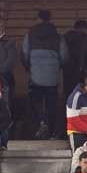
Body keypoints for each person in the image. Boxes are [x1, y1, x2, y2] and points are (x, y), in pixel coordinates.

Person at [22, 10, 68, 141]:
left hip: (35, 75)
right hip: (52, 76)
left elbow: (25, 54)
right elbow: (64, 56)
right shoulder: (58, 36)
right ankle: (51, 130)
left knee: (35, 102)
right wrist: (58, 67)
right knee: (51, 104)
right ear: (50, 19)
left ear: (38, 19)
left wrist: (29, 67)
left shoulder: (29, 35)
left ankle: (40, 124)